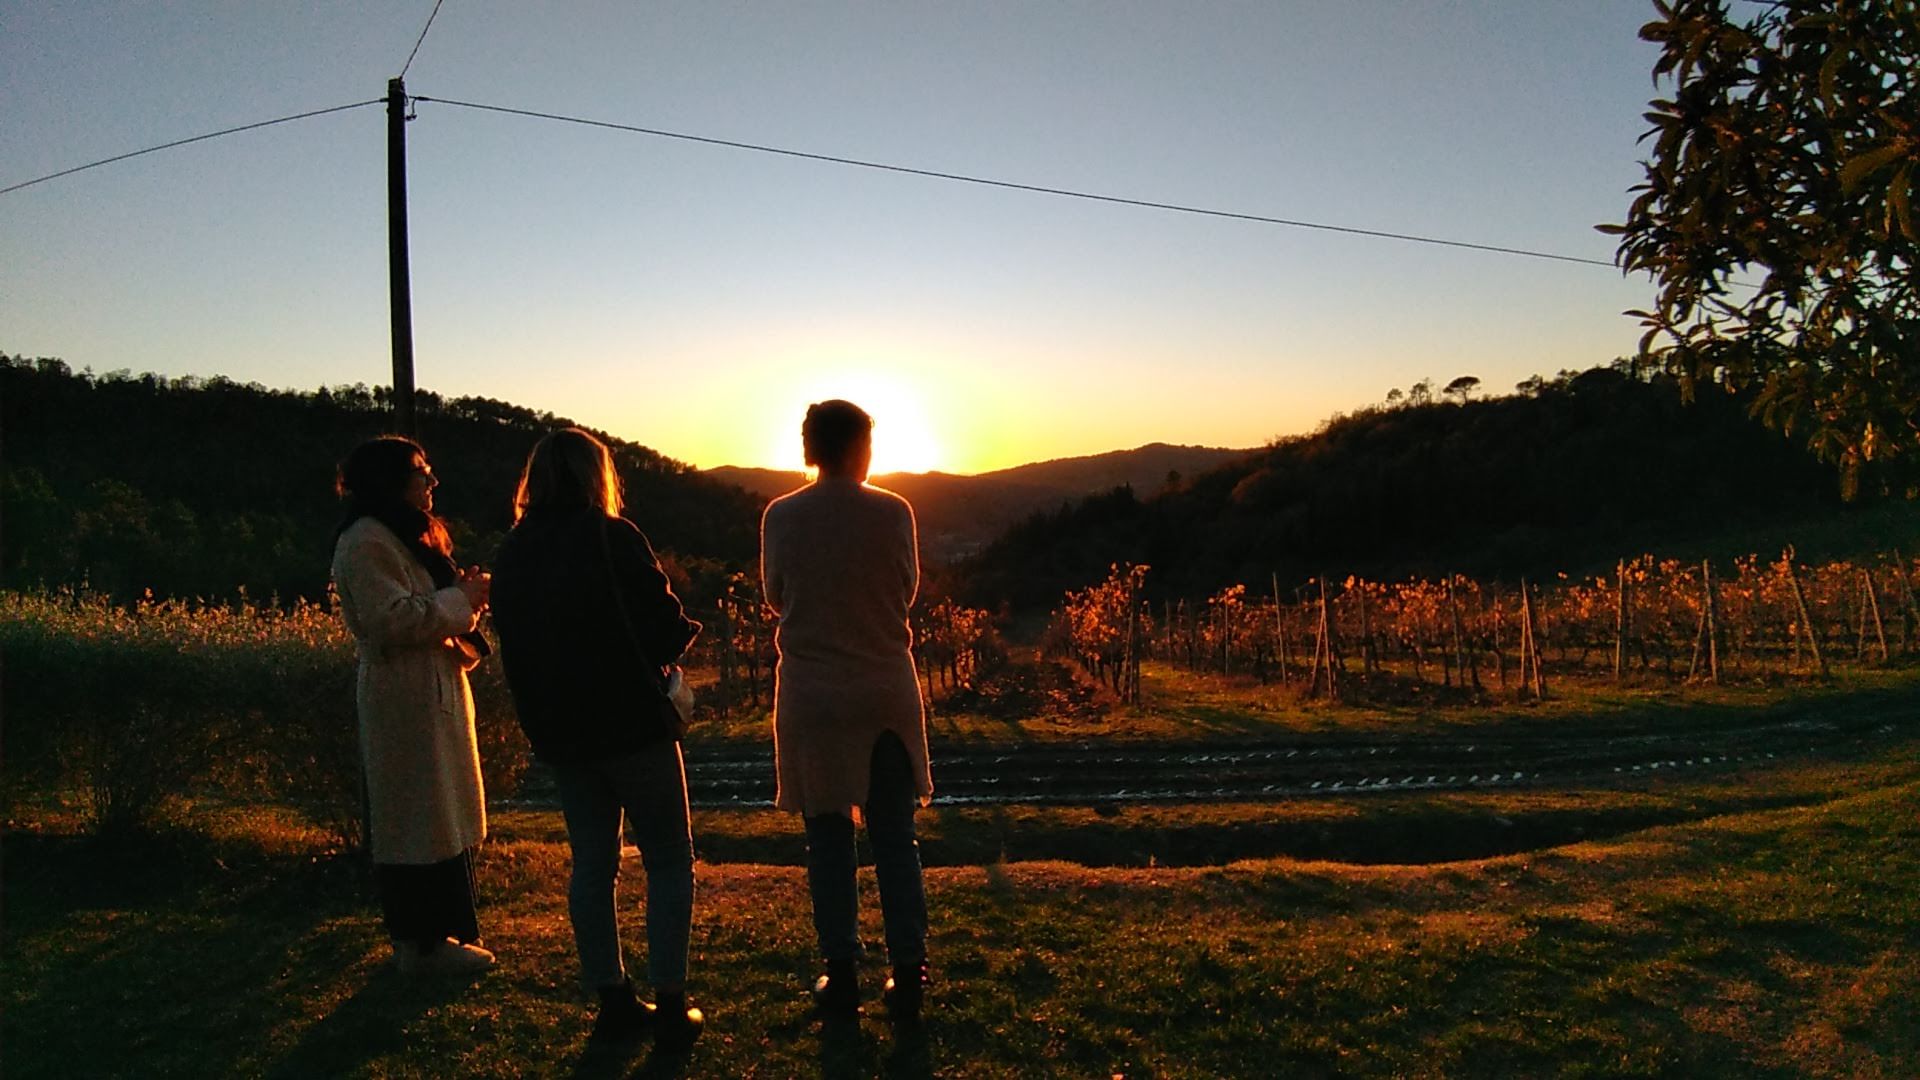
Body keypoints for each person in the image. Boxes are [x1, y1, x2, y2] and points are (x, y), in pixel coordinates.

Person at [489, 427, 705, 1049]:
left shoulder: (514, 551)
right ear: (596, 476)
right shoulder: (614, 537)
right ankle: (670, 999)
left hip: (563, 735)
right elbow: (666, 627)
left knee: (592, 864)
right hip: (634, 725)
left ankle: (611, 997)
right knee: (667, 858)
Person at [761, 399, 934, 1022]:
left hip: (814, 695)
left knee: (829, 840)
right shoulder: (895, 512)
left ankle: (840, 975)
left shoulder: (781, 515)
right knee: (895, 837)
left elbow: (776, 596)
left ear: (810, 447)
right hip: (883, 688)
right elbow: (906, 591)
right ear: (862, 447)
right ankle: (908, 972)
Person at [330, 436, 495, 976]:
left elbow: (427, 613)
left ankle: (441, 937)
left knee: (439, 815)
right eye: (422, 471)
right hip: (403, 696)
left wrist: (462, 603)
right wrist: (460, 602)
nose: (431, 481)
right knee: (417, 819)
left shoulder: (401, 535)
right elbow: (391, 619)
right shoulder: (365, 541)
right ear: (391, 479)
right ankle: (421, 944)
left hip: (429, 690)